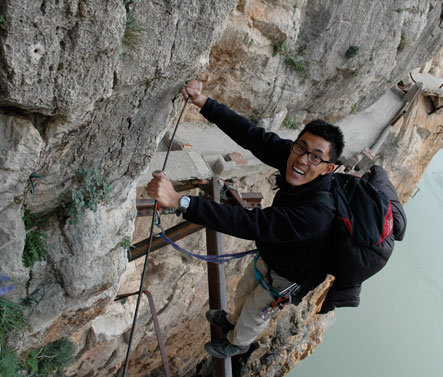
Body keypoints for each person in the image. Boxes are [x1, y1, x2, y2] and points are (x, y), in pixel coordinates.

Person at [146, 80, 345, 358]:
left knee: (255, 311)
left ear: (329, 168)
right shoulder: (295, 157)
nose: (303, 160)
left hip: (291, 274)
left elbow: (250, 223)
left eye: (316, 157)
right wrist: (205, 103)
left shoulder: (316, 214)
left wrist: (181, 201)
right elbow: (253, 137)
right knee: (244, 292)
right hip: (274, 251)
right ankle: (230, 321)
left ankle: (237, 343)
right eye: (301, 148)